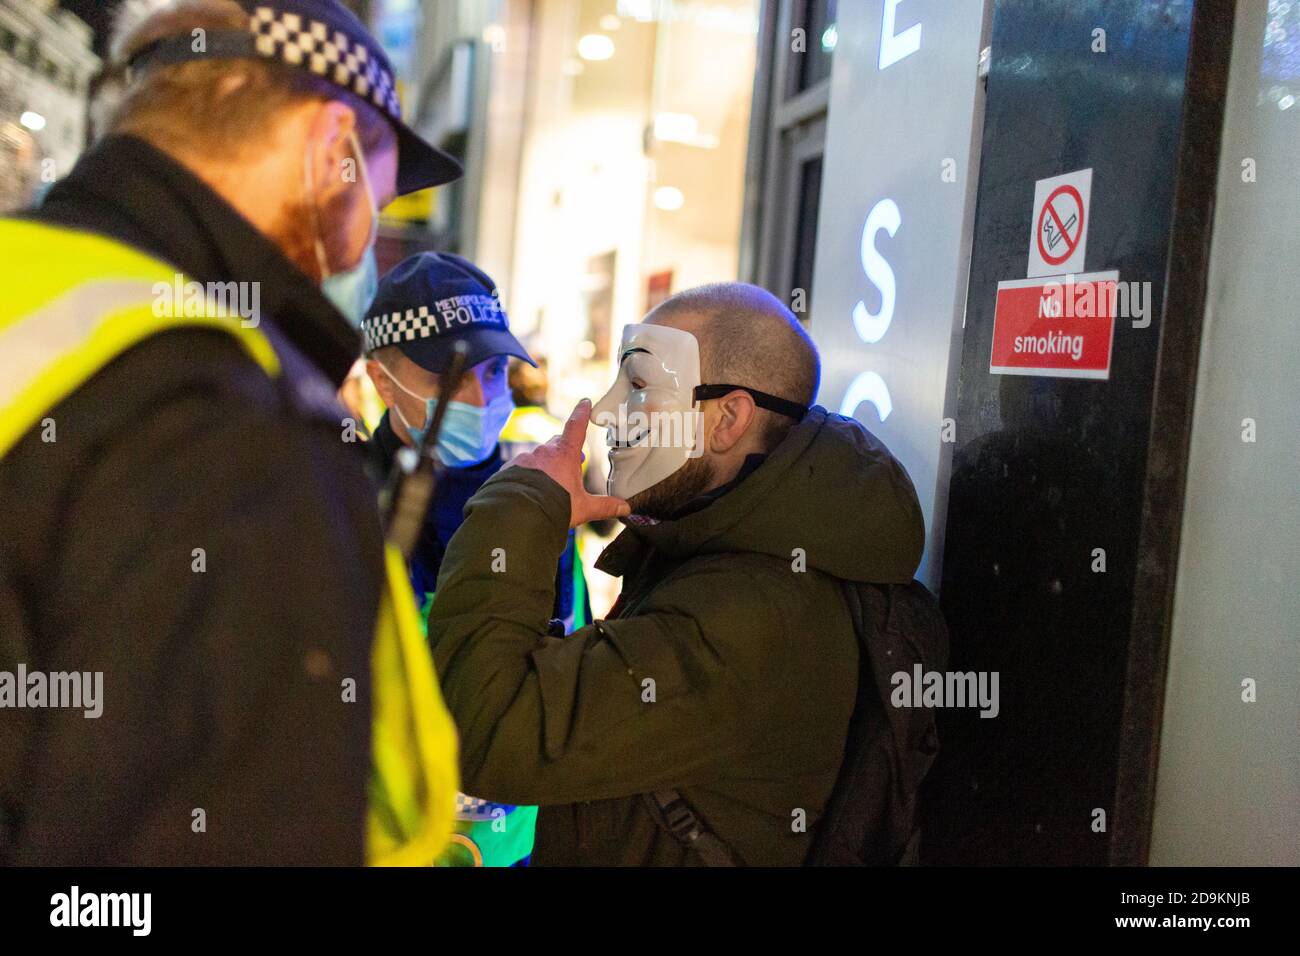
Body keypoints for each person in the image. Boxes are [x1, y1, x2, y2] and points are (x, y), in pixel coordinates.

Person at [0, 0, 461, 865]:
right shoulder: (228, 421)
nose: (366, 244)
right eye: (381, 197)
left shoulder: (29, 283)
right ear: (334, 152)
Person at [425, 282, 928, 865]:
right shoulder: (719, 555)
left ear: (728, 419)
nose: (607, 412)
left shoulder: (755, 613)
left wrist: (520, 503)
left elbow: (482, 729)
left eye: (638, 386)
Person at [360, 251, 590, 865]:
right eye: (450, 373)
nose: (480, 393)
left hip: (511, 848)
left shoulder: (541, 504)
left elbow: (573, 665)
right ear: (384, 382)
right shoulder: (342, 501)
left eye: (492, 371)